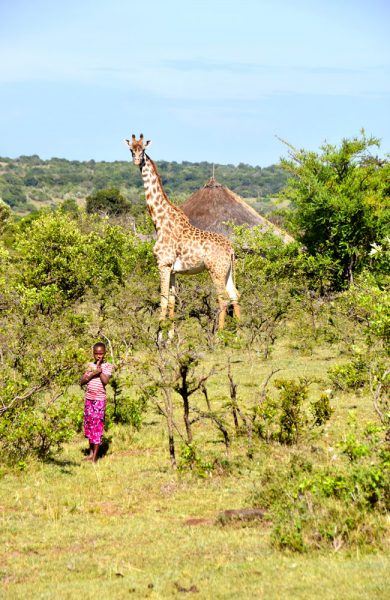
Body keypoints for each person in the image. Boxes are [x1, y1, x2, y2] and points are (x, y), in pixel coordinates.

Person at [80, 342, 113, 462]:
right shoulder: (89, 366)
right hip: (89, 399)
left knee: (97, 427)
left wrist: (99, 371)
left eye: (101, 353)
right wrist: (93, 373)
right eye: (96, 354)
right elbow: (82, 381)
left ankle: (94, 458)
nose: (99, 356)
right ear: (93, 354)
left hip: (99, 401)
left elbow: (105, 381)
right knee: (89, 426)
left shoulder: (108, 366)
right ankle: (90, 454)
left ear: (105, 353)